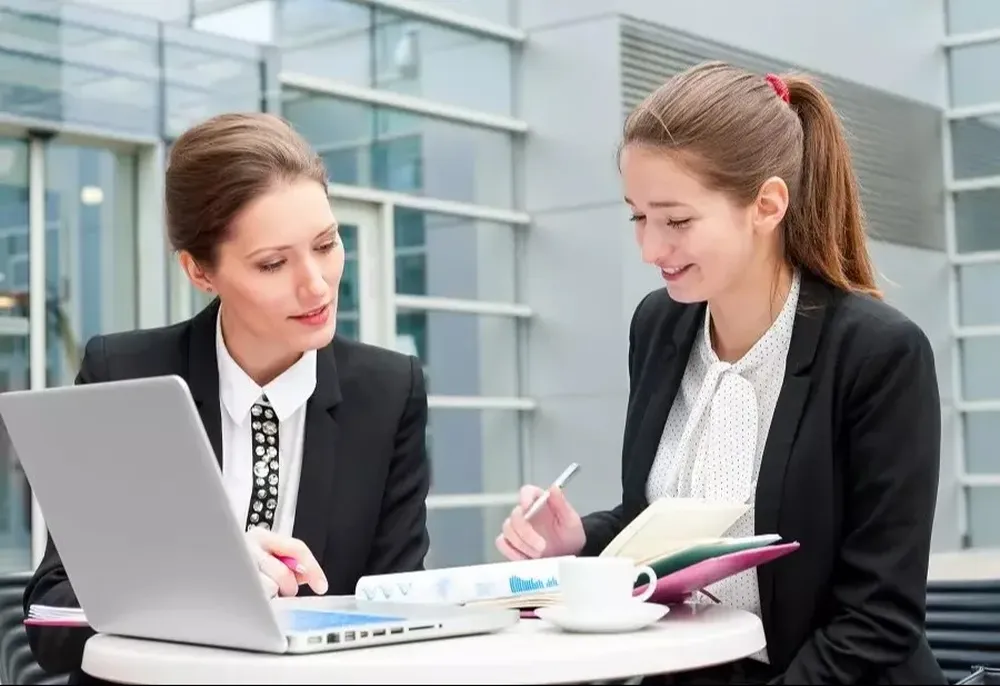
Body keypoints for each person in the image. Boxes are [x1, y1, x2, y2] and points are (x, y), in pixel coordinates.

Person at [496, 62, 946, 685]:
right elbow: (665, 519)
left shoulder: (878, 355)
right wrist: (582, 541)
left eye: (676, 220)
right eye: (637, 216)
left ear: (766, 205)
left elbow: (879, 618)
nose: (650, 249)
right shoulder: (660, 326)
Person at [24, 113, 431, 683]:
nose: (316, 284)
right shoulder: (124, 375)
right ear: (198, 271)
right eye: (272, 263)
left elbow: (396, 617)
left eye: (326, 244)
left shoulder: (389, 393)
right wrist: (200, 582)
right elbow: (51, 622)